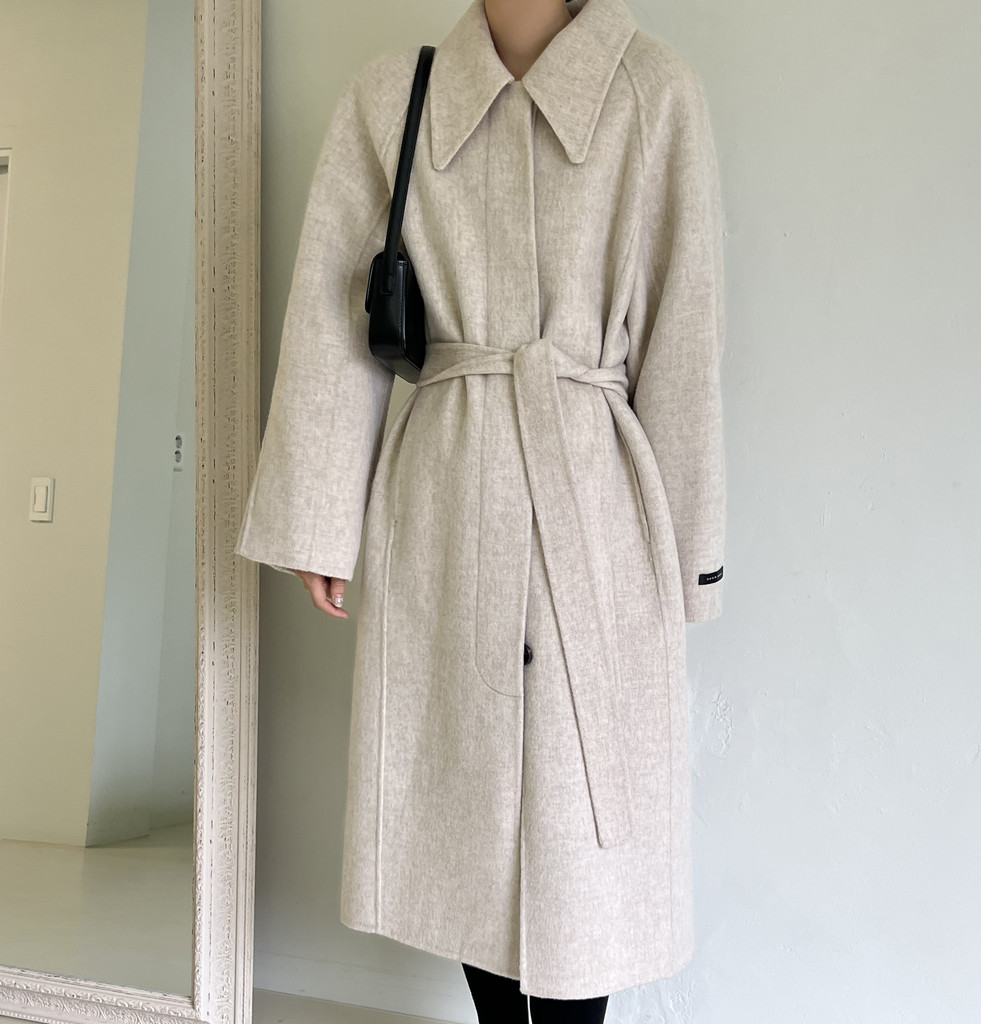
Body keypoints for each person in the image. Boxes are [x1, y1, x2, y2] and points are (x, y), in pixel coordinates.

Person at [235, 0, 727, 1013]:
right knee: (469, 813)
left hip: (597, 502)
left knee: (582, 844)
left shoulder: (653, 91)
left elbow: (685, 334)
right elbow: (333, 310)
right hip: (447, 498)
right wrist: (320, 518)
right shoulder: (392, 98)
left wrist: (689, 552)